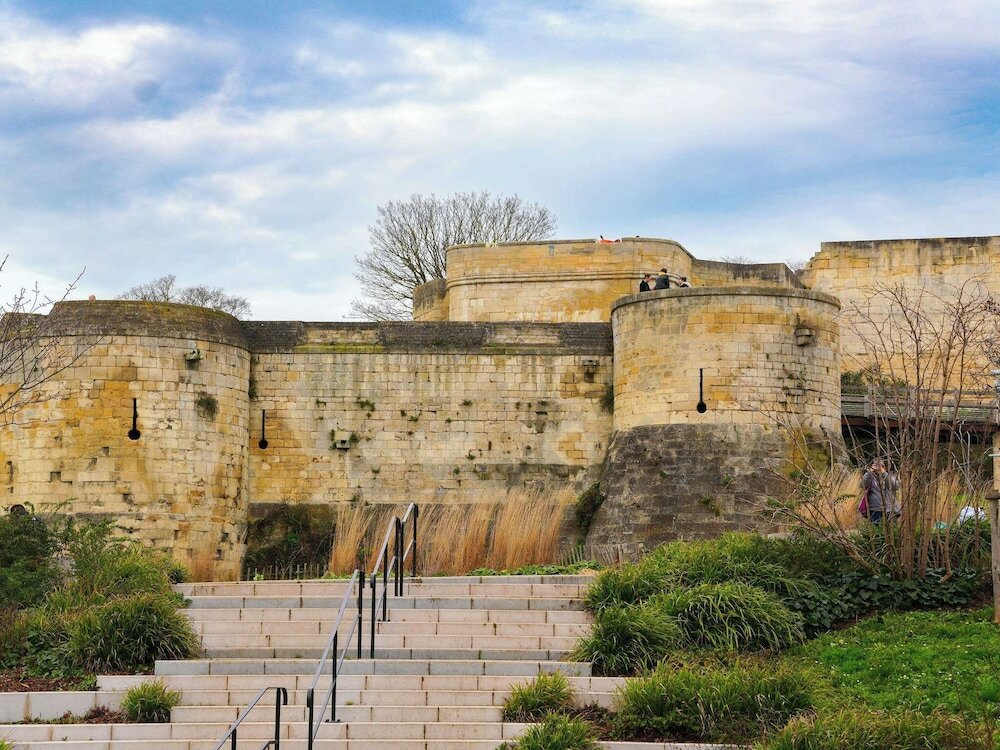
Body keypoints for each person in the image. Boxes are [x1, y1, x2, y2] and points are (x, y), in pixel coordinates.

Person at [861, 459, 900, 523]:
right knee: (877, 531)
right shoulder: (870, 477)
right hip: (875, 510)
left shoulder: (890, 475)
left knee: (892, 531)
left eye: (881, 466)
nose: (878, 468)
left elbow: (895, 486)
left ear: (885, 467)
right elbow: (862, 485)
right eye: (875, 465)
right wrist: (869, 472)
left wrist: (883, 472)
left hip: (890, 509)